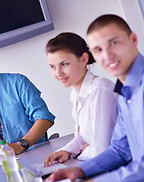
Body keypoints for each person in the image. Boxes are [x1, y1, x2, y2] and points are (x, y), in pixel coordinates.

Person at [45, 14, 144, 182]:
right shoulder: (127, 90)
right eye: (98, 50)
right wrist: (77, 171)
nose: (106, 56)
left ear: (133, 39)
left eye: (114, 43)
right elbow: (119, 149)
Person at [44, 32, 118, 166]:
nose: (58, 73)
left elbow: (102, 150)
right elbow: (82, 136)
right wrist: (65, 151)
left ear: (84, 59)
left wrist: (83, 152)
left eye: (64, 64)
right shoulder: (75, 93)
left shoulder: (100, 89)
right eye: (53, 67)